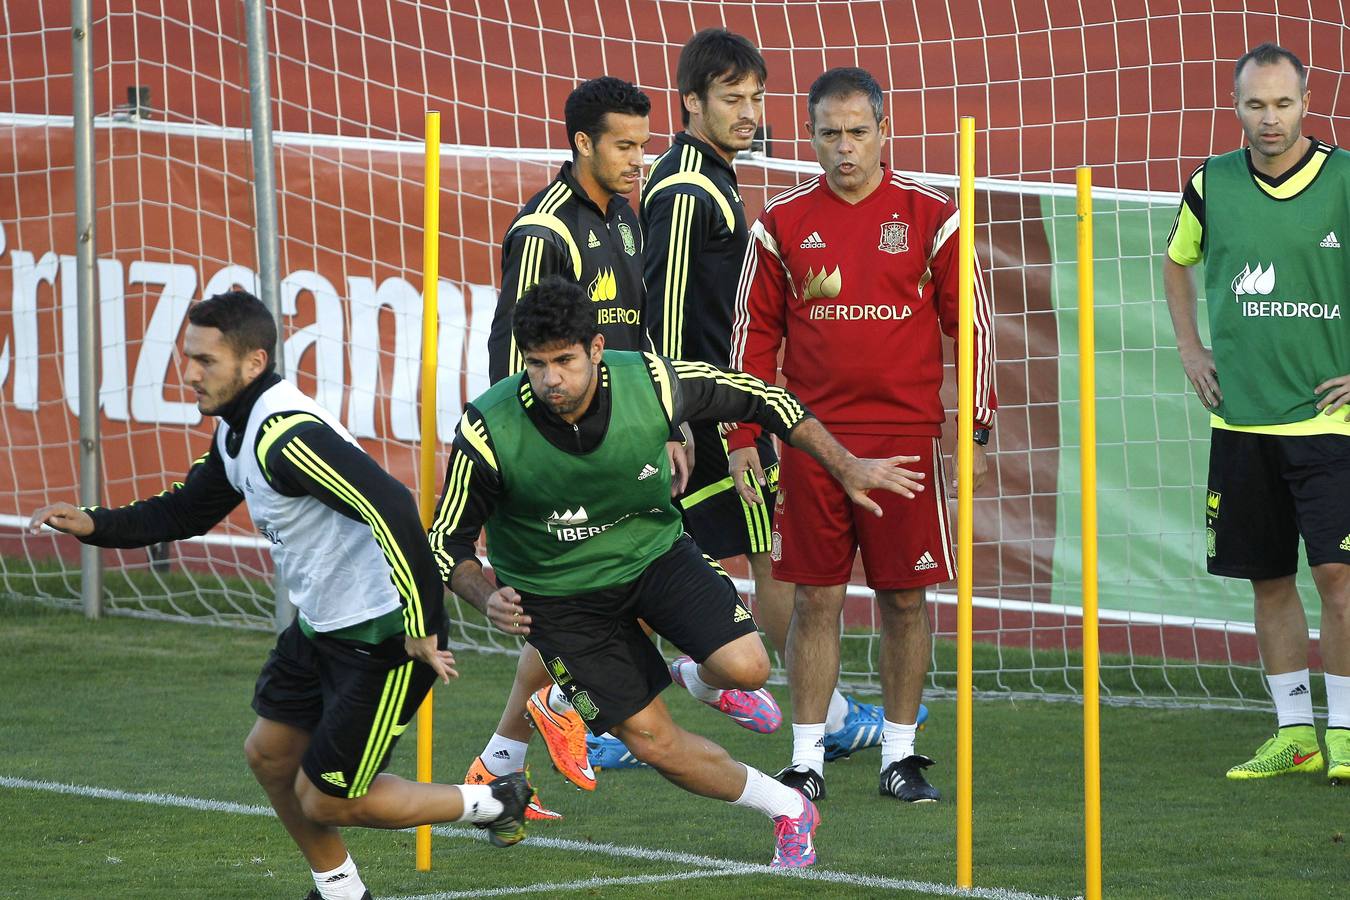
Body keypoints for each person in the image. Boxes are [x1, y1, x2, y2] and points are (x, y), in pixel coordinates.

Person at [28, 290, 528, 900]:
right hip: (321, 628)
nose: (189, 374)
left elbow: (394, 505)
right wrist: (95, 524)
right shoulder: (236, 432)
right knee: (269, 756)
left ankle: (494, 800)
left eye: (205, 361)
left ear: (254, 362)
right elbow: (188, 509)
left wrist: (421, 625)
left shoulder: (284, 436)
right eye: (188, 357)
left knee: (327, 799)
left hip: (386, 636)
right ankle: (341, 891)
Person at [430, 274, 930, 866]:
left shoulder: (653, 381)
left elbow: (765, 398)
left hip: (655, 557)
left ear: (596, 349)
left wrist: (845, 465)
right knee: (653, 743)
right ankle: (789, 808)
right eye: (537, 365)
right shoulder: (488, 428)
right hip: (561, 602)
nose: (551, 380)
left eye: (565, 361)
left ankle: (690, 677)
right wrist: (484, 594)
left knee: (749, 669)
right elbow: (445, 542)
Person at [641, 29, 914, 764]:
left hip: (718, 402)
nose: (750, 113)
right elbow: (664, 308)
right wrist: (673, 417)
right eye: (732, 99)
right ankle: (638, 697)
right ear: (691, 102)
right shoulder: (687, 188)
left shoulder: (711, 176)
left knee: (727, 553)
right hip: (706, 408)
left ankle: (660, 693)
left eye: (757, 98)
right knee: (761, 557)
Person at [729, 67, 997, 803]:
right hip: (811, 441)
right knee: (814, 599)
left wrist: (974, 431)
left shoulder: (932, 215)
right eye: (829, 133)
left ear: (884, 131)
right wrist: (744, 433)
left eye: (857, 132)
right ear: (809, 136)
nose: (844, 147)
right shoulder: (781, 222)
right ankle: (806, 759)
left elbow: (971, 328)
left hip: (904, 441)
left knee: (904, 599)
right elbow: (753, 338)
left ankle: (900, 756)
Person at [1162, 42, 1350, 783]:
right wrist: (1190, 348)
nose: (1270, 119)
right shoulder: (1211, 182)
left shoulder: (1344, 179)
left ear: (1307, 103)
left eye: (1283, 103)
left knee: (1338, 579)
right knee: (1268, 579)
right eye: (1255, 104)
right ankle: (1295, 734)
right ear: (1236, 106)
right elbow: (1178, 261)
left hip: (1329, 424)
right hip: (1241, 422)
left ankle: (1347, 732)